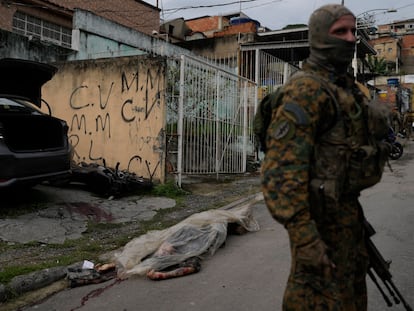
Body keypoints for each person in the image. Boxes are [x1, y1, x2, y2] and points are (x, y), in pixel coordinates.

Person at [260, 4, 390, 311]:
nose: (349, 39)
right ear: (318, 37)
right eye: (339, 32)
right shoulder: (306, 92)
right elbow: (280, 176)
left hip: (347, 220)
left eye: (352, 31)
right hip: (319, 230)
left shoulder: (344, 90)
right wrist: (305, 240)